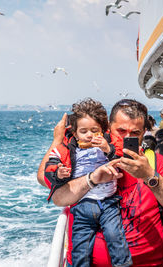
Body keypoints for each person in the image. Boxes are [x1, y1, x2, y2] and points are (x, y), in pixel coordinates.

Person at [37, 99, 163, 267]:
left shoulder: (156, 162)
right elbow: (51, 187)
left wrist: (148, 175)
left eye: (135, 133)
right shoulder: (83, 159)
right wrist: (59, 142)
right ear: (108, 128)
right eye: (121, 131)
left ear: (144, 132)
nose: (127, 137)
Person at [44, 98, 132, 267]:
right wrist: (59, 173)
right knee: (80, 247)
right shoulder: (66, 149)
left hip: (108, 204)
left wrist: (108, 149)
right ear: (75, 133)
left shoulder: (109, 144)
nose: (90, 135)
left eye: (95, 130)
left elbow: (123, 159)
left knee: (116, 237)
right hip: (82, 205)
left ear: (103, 130)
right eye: (84, 131)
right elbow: (49, 168)